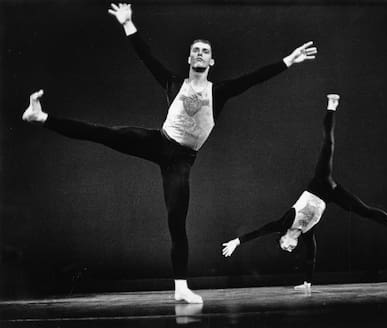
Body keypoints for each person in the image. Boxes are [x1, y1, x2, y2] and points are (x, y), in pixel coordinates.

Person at [22, 3, 318, 303]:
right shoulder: (173, 83)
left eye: (205, 50)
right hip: (159, 141)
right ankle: (41, 117)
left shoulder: (220, 92)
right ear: (189, 58)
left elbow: (255, 77)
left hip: (181, 161)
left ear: (212, 60)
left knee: (176, 221)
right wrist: (127, 23)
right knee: (104, 133)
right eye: (196, 50)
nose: (200, 53)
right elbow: (145, 55)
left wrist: (288, 61)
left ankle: (180, 288)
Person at [222, 94, 387, 292]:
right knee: (363, 211)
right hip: (330, 194)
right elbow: (310, 257)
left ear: (282, 237)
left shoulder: (284, 223)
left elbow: (259, 231)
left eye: (284, 246)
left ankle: (331, 106)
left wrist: (237, 241)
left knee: (328, 145)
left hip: (319, 183)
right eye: (289, 249)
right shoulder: (307, 234)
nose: (288, 249)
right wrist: (307, 283)